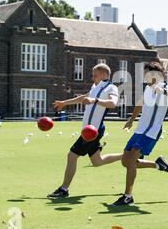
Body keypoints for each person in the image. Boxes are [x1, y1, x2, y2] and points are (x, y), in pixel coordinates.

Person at [111, 59, 168, 206]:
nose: (145, 78)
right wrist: (131, 119)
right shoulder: (148, 89)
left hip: (152, 131)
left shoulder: (166, 87)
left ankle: (127, 196)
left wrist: (163, 91)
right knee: (125, 161)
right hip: (140, 130)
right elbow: (140, 103)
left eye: (147, 75)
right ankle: (158, 165)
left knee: (131, 161)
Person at [47, 63, 122, 199]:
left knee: (72, 155)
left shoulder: (111, 87)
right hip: (87, 130)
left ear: (104, 75)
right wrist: (64, 102)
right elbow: (82, 98)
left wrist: (95, 100)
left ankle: (64, 189)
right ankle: (127, 156)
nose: (93, 78)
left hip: (93, 131)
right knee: (97, 161)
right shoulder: (95, 87)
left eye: (95, 75)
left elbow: (113, 103)